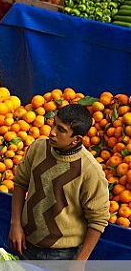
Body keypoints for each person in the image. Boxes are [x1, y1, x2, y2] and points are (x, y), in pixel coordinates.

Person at [9, 105, 109, 260]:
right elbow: (20, 183)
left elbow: (98, 220)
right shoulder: (38, 148)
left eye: (61, 130)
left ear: (76, 139)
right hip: (26, 243)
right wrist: (15, 224)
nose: (52, 132)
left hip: (62, 254)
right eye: (54, 124)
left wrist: (80, 261)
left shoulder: (90, 171)